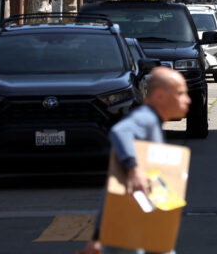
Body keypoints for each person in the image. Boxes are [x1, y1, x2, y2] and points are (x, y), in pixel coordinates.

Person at [78, 66, 191, 254]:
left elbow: (115, 186)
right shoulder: (145, 118)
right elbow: (120, 131)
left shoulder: (152, 122)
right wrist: (134, 169)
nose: (187, 99)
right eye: (180, 93)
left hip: (136, 225)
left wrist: (97, 237)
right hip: (128, 231)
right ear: (160, 96)